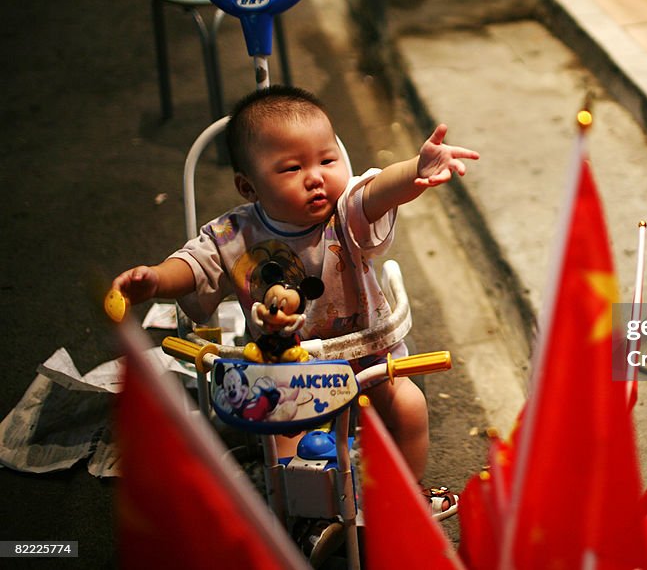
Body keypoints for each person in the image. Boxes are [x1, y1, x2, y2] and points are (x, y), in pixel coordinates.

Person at [111, 85, 478, 516]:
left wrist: (416, 168)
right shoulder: (235, 235)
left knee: (409, 408)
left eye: (327, 159)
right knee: (282, 444)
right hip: (283, 366)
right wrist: (155, 280)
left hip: (364, 352)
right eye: (291, 168)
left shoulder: (345, 213)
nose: (316, 176)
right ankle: (297, 509)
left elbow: (378, 190)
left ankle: (404, 493)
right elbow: (194, 266)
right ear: (248, 187)